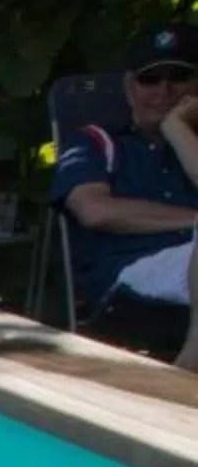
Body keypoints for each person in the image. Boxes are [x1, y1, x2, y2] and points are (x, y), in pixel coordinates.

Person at [55, 22, 198, 366]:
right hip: (129, 277)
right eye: (150, 79)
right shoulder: (96, 141)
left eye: (178, 77)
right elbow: (95, 211)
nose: (164, 90)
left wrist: (177, 129)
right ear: (129, 88)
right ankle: (191, 363)